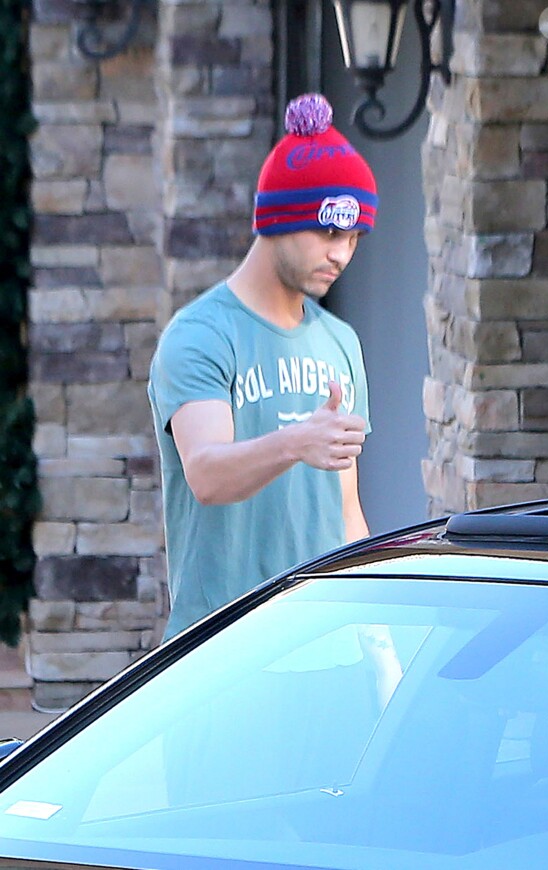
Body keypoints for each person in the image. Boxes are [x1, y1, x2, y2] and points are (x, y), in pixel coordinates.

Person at [148, 92, 379, 641]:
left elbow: (346, 510)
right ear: (279, 218)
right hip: (223, 652)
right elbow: (206, 474)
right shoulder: (200, 336)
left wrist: (377, 640)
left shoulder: (341, 342)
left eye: (352, 237)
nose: (341, 254)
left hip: (328, 640)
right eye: (327, 232)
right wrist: (297, 441)